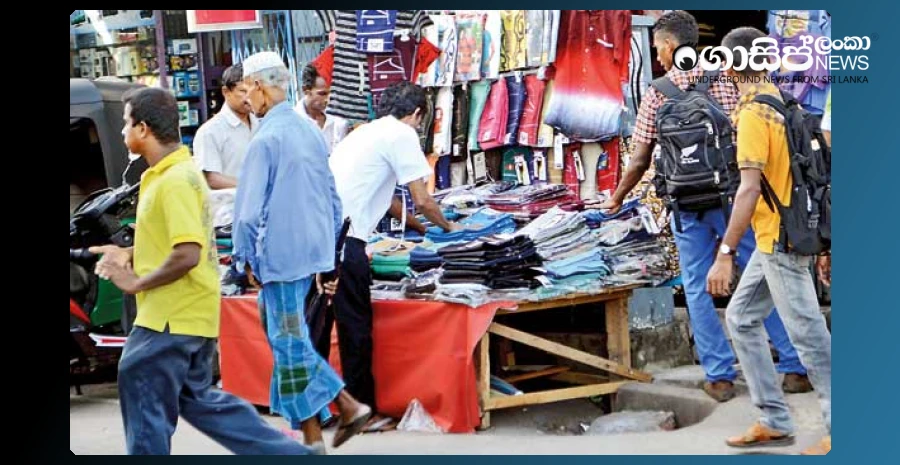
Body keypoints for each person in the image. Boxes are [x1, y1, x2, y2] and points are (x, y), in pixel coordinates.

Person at [590, 10, 810, 402]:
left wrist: (616, 197)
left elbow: (639, 160)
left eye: (658, 49)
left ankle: (720, 376)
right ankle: (793, 367)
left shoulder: (658, 90)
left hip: (686, 202)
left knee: (696, 284)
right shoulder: (729, 77)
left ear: (672, 46)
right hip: (733, 199)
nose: (657, 57)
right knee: (761, 276)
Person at [89, 86, 313, 455]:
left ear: (143, 129)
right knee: (201, 402)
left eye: (126, 124)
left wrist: (136, 282)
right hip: (188, 315)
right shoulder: (167, 175)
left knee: (141, 386)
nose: (122, 133)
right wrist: (129, 252)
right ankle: (292, 455)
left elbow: (188, 253)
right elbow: (174, 238)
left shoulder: (175, 180)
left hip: (169, 318)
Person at [231, 51, 371, 454]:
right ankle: (311, 436)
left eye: (247, 91)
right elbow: (333, 198)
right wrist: (327, 253)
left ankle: (346, 405)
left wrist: (245, 260)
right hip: (311, 249)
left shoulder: (266, 139)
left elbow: (246, 216)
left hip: (279, 254)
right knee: (288, 340)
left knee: (289, 342)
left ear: (257, 86)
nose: (246, 101)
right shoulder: (310, 131)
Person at [707, 27, 831, 455]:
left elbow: (748, 188)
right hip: (776, 236)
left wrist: (724, 253)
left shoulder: (754, 114)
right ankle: (775, 420)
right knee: (741, 320)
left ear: (730, 65)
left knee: (809, 335)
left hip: (779, 240)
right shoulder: (779, 98)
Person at [327, 81, 461, 430]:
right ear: (417, 113)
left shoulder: (366, 134)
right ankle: (361, 412)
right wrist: (449, 228)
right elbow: (423, 198)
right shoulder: (401, 136)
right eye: (421, 119)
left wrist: (417, 227)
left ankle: (324, 411)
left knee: (328, 325)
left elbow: (387, 197)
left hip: (328, 238)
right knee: (356, 328)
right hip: (346, 242)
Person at [193, 63, 257, 189]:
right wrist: (252, 187)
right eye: (243, 91)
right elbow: (210, 178)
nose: (249, 97)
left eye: (252, 90)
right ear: (226, 92)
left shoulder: (261, 124)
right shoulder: (210, 131)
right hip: (229, 205)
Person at [295, 63, 349, 153]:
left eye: (330, 93)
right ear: (306, 91)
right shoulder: (292, 122)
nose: (328, 99)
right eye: (322, 94)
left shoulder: (338, 120)